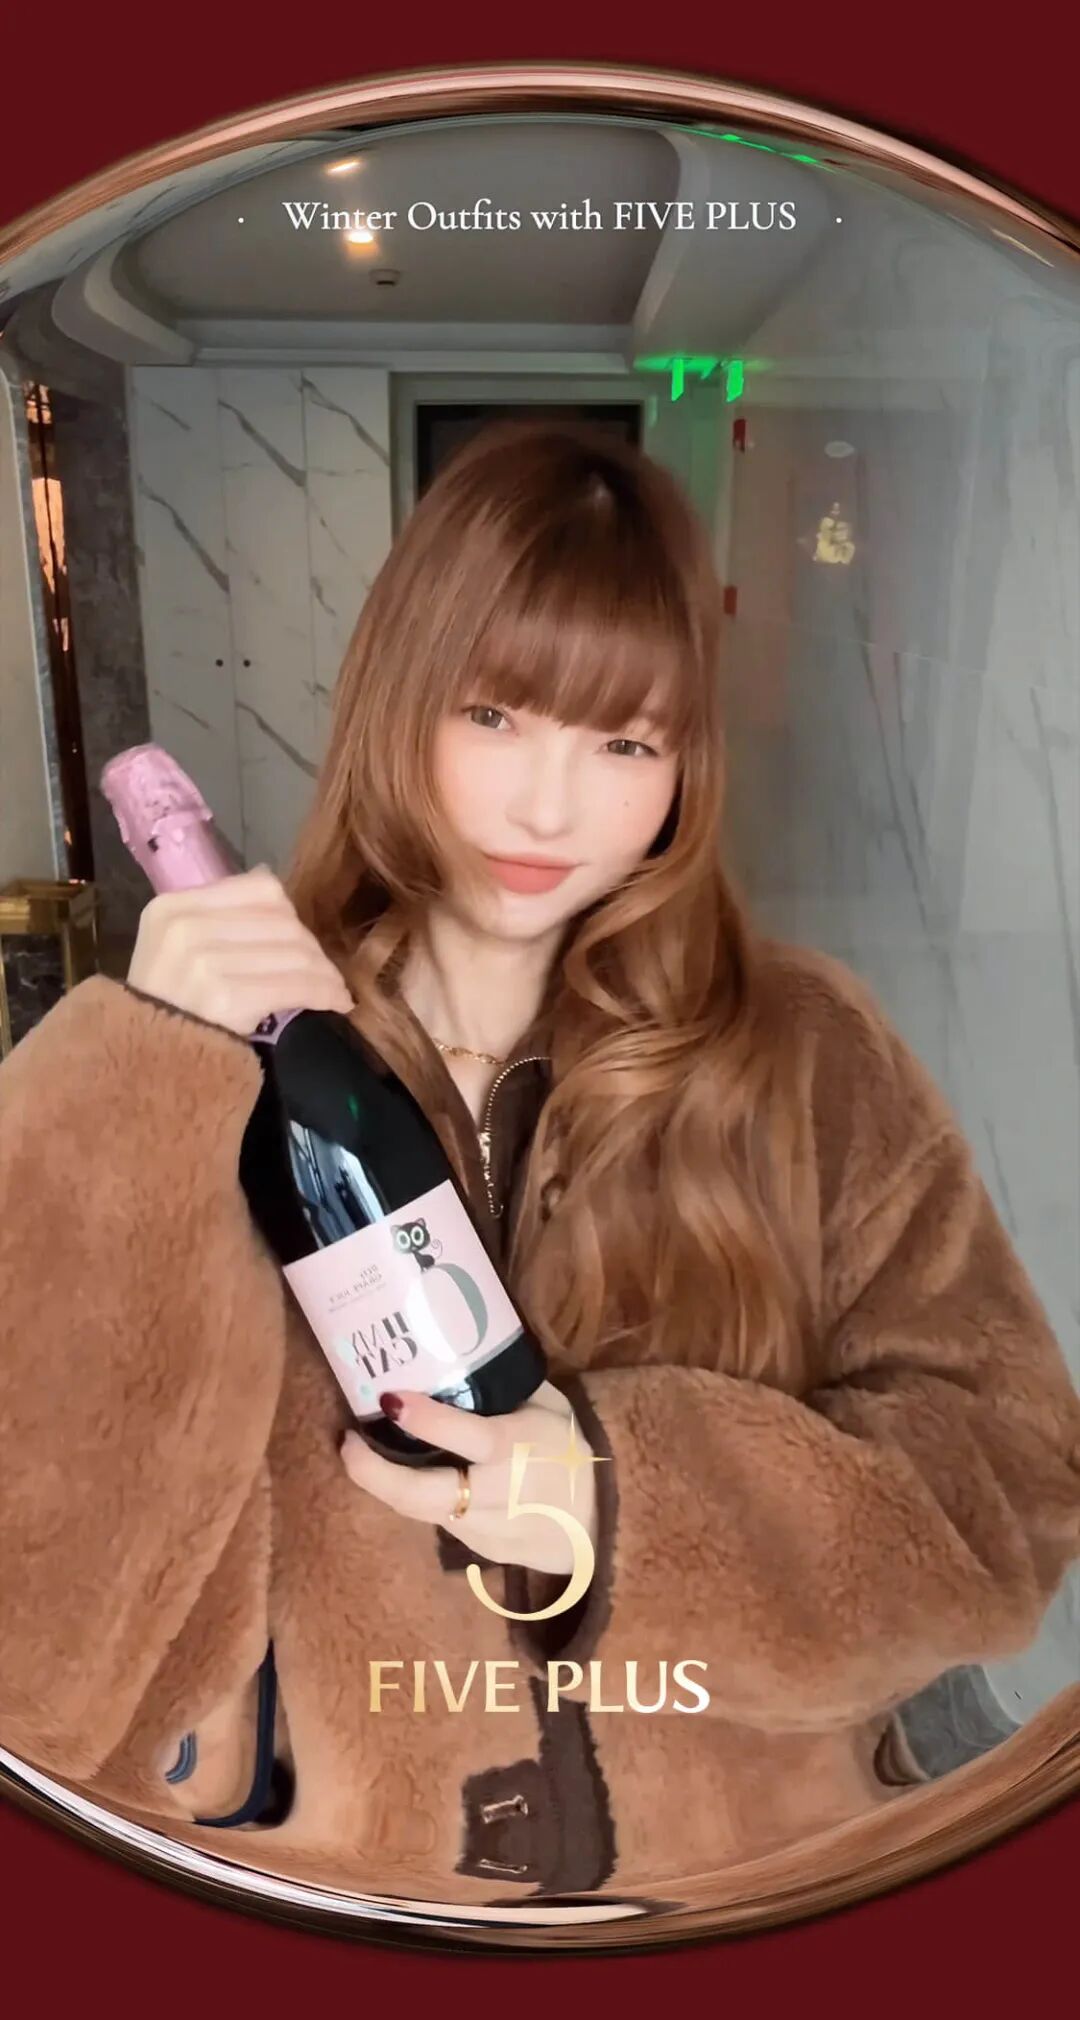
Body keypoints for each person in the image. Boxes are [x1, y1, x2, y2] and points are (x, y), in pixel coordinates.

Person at [1, 420, 1078, 1905]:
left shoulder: (807, 1054)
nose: (550, 808)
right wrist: (137, 1083)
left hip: (751, 1901)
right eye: (497, 715)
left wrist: (626, 1504)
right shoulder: (212, 1069)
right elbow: (44, 1640)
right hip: (357, 1906)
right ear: (401, 702)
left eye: (625, 742)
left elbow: (1012, 1494)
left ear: (686, 766)